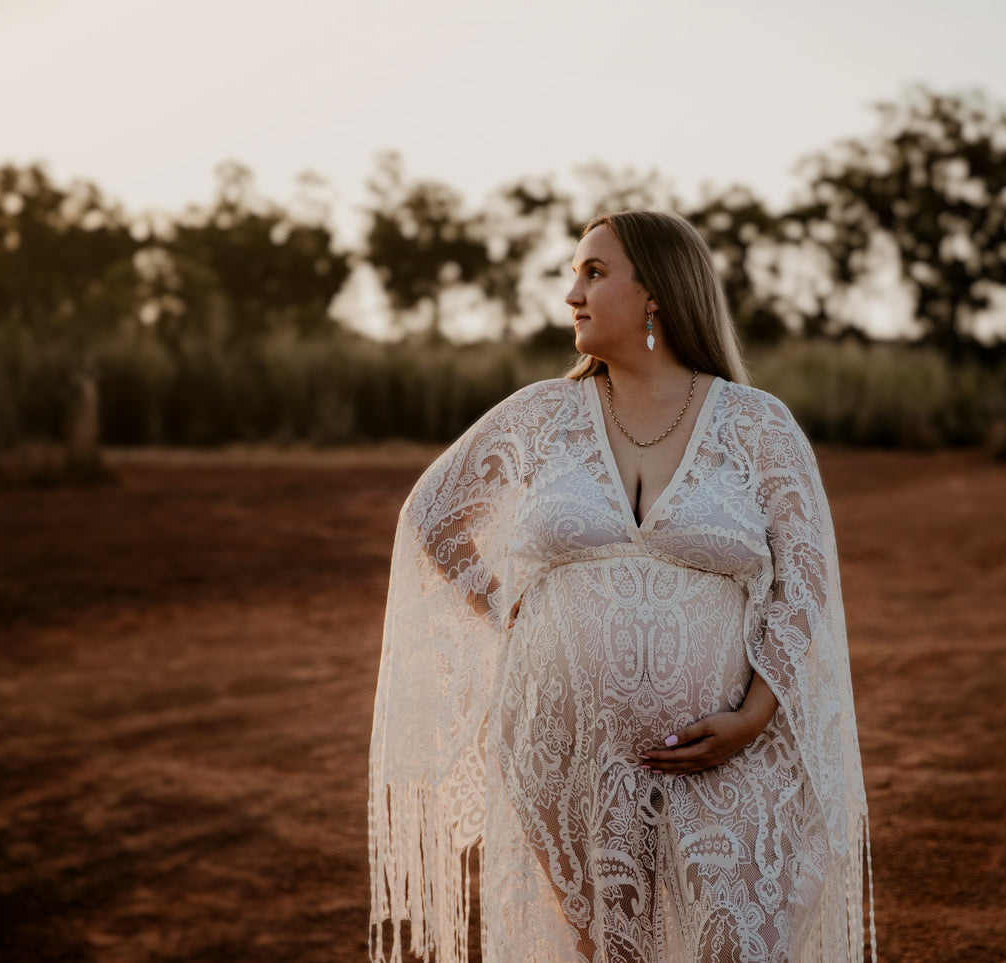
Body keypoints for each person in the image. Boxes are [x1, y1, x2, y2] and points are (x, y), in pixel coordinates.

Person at [369, 210, 875, 963]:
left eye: (593, 273)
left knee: (737, 947)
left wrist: (755, 714)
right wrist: (516, 614)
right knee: (612, 952)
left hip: (731, 745)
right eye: (574, 273)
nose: (571, 292)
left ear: (657, 295)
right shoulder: (543, 414)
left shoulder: (755, 424)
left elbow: (803, 580)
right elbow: (432, 516)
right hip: (564, 751)